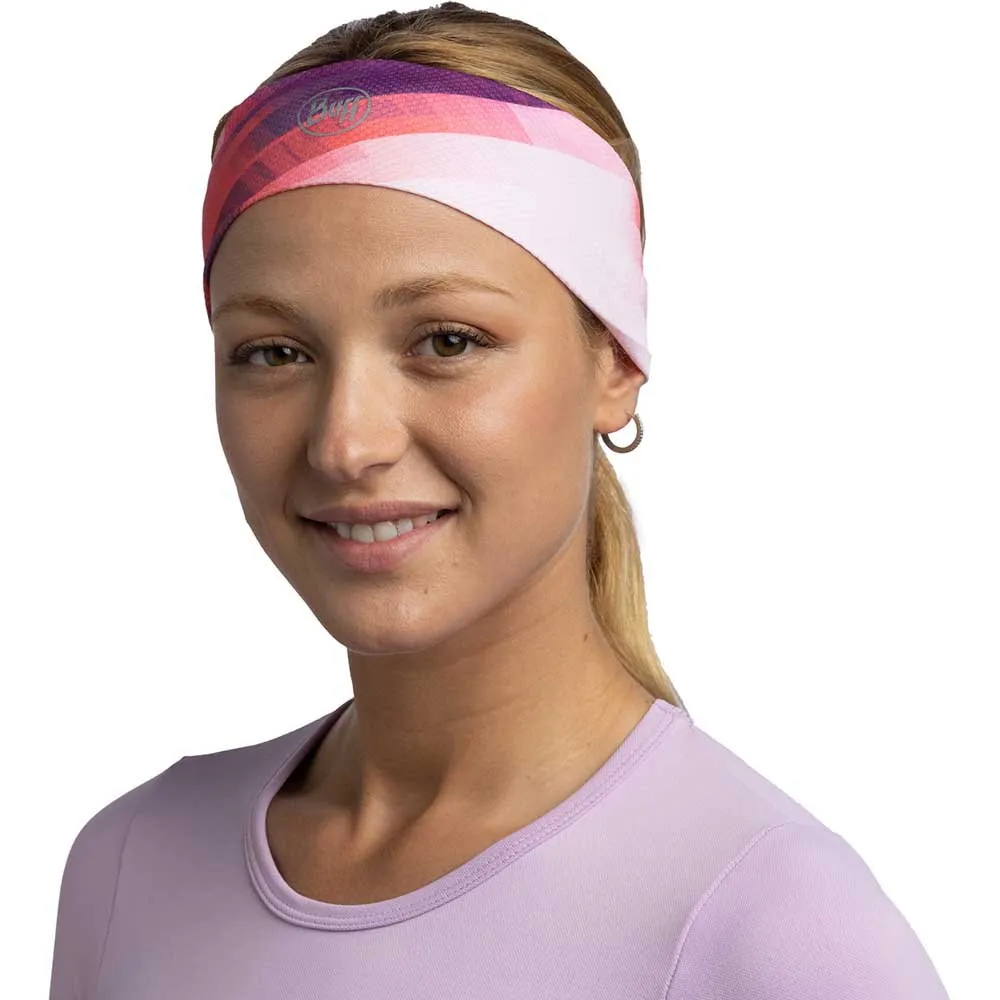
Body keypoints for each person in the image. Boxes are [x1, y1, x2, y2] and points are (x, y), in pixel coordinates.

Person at [48, 4, 951, 998]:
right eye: (274, 352)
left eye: (447, 340)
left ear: (615, 360)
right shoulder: (131, 865)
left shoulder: (770, 928)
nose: (346, 442)